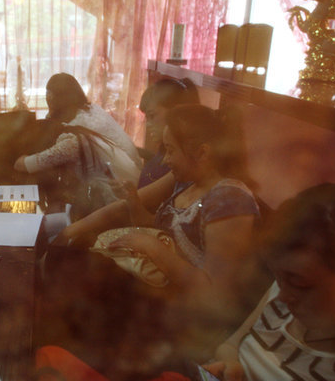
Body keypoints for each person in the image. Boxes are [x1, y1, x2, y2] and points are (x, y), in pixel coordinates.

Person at [34, 184, 335, 381]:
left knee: (51, 365)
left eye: (298, 284)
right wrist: (230, 364)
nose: (281, 297)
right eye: (280, 280)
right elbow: (233, 342)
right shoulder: (292, 289)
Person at [55, 105, 259, 296]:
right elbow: (157, 227)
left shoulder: (230, 201)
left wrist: (152, 247)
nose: (165, 160)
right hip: (151, 284)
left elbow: (213, 293)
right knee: (70, 257)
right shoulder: (187, 180)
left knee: (70, 268)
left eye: (170, 150)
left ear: (202, 153)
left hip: (175, 309)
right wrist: (134, 202)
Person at [13, 73, 143, 212]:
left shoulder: (73, 138)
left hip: (122, 197)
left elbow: (23, 164)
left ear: (51, 100)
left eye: (49, 97)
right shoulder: (91, 110)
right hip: (134, 176)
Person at [137, 77, 200, 188]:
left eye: (152, 116)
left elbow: (144, 199)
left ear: (175, 112)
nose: (148, 124)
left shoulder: (180, 163)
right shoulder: (162, 150)